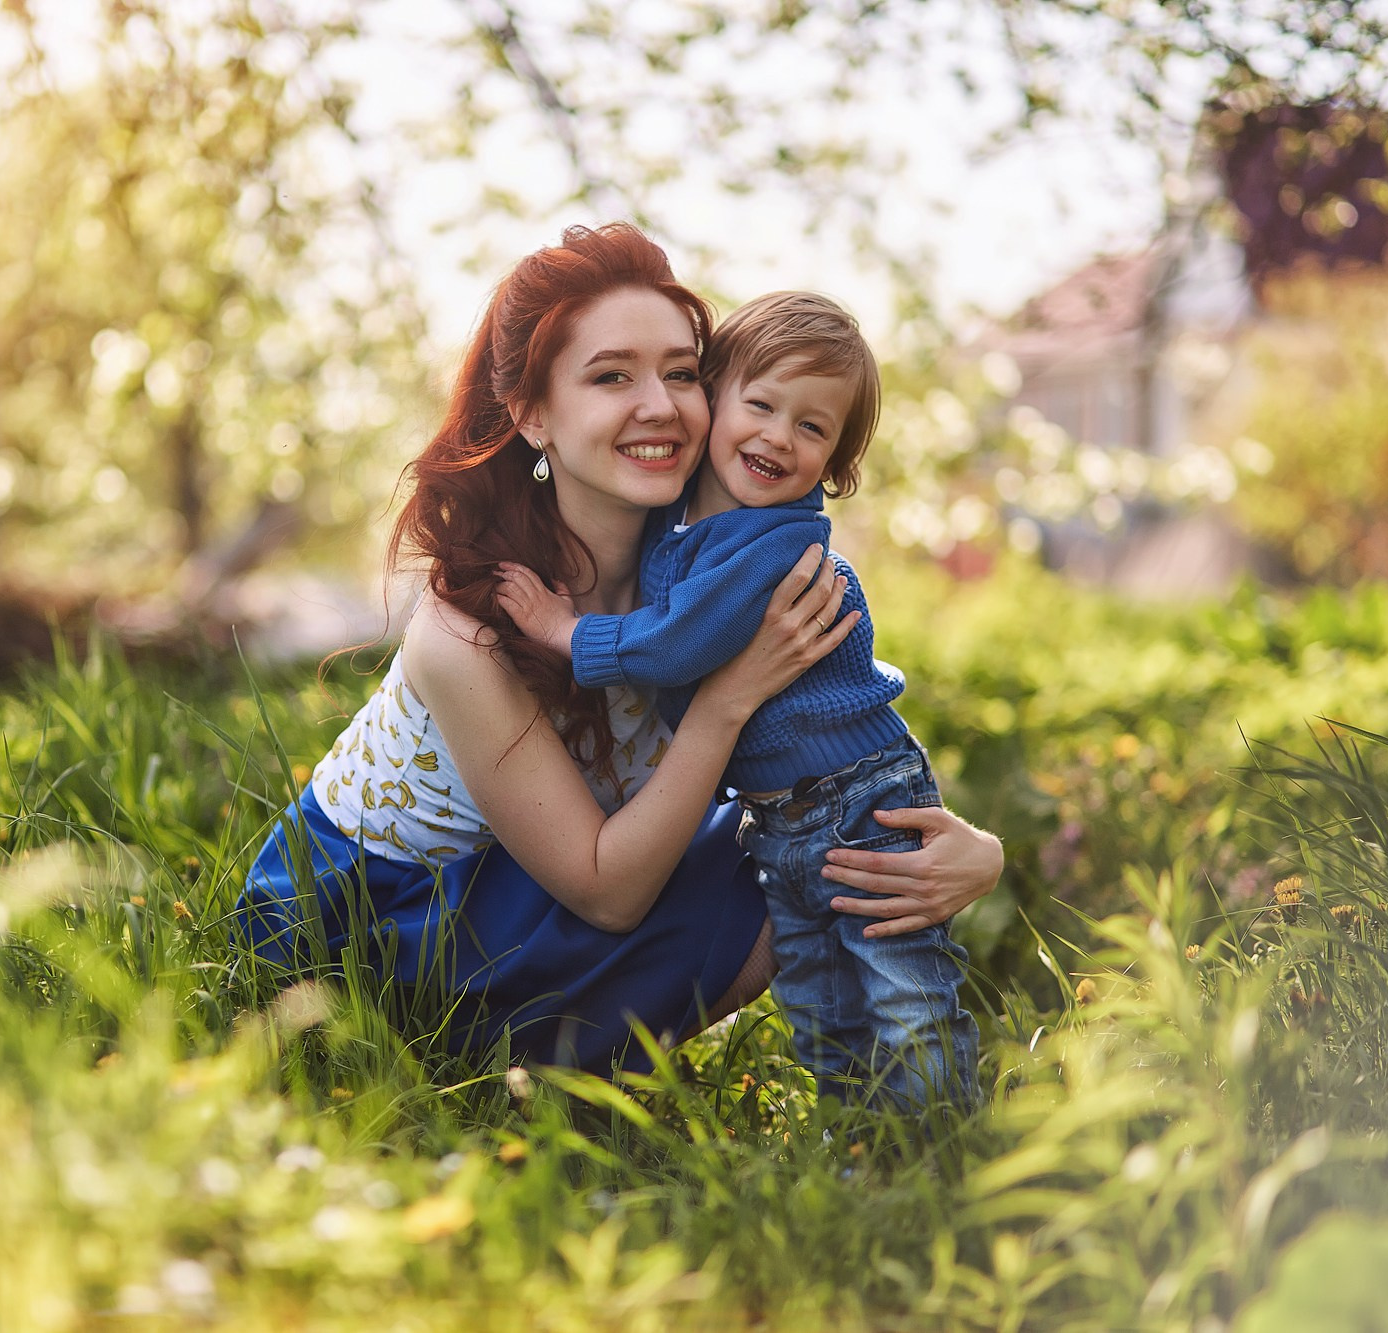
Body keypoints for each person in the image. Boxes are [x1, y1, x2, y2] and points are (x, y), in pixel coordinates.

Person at [237, 224, 1003, 1075]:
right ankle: (513, 1071)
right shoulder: (469, 627)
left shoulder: (707, 576)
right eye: (611, 376)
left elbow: (831, 738)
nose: (660, 405)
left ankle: (869, 1101)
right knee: (759, 868)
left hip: (530, 892)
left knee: (797, 849)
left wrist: (967, 849)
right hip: (367, 927)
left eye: (682, 373)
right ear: (533, 415)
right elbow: (607, 891)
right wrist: (725, 701)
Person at [495, 291, 977, 1105]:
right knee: (819, 997)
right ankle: (857, 1137)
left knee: (902, 985)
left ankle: (940, 1139)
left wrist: (561, 632)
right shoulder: (686, 523)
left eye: (813, 428)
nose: (778, 436)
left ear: (836, 465)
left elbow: (674, 641)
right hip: (781, 815)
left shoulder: (776, 546)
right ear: (714, 399)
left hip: (860, 800)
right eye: (760, 404)